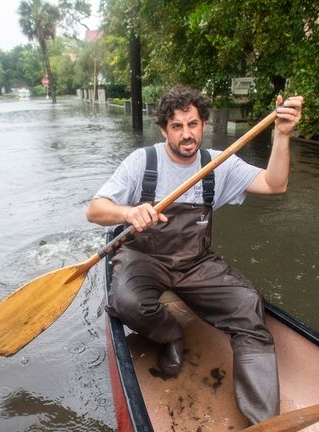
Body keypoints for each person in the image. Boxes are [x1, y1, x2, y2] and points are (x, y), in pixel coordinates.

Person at [85, 85, 303, 425]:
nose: (187, 135)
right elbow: (95, 211)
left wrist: (283, 135)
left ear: (203, 124)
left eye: (193, 124)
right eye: (177, 126)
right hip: (143, 258)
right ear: (163, 129)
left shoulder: (219, 163)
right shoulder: (142, 162)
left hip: (195, 261)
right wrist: (128, 213)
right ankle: (171, 335)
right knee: (127, 302)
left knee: (248, 304)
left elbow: (274, 184)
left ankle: (263, 421)